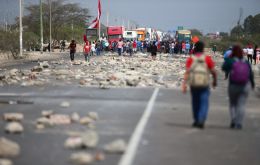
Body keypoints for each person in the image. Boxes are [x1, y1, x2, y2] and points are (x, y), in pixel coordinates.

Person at [182, 41, 217, 129]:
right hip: (204, 84)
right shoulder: (207, 58)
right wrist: (214, 81)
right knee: (204, 102)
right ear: (203, 49)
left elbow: (187, 72)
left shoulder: (191, 58)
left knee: (195, 102)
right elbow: (213, 71)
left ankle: (196, 119)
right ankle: (202, 119)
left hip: (194, 84)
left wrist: (184, 84)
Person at [222, 45, 255, 129]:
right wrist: (252, 84)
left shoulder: (231, 60)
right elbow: (250, 74)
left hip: (233, 85)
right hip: (244, 86)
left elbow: (223, 67)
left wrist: (228, 70)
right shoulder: (246, 62)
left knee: (233, 104)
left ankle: (233, 120)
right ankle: (239, 123)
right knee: (241, 105)